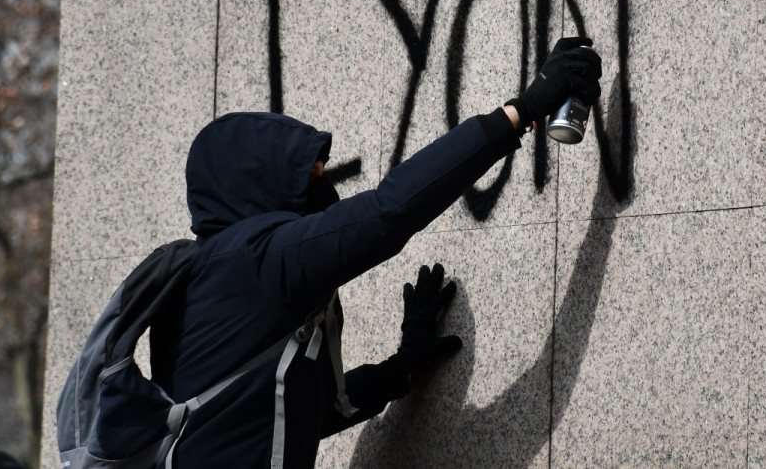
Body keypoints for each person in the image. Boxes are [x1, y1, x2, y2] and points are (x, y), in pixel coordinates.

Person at [148, 38, 602, 467]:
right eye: (308, 179)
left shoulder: (220, 282)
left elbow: (307, 414)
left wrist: (402, 368)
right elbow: (389, 212)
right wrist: (522, 110)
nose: (324, 188)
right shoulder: (251, 264)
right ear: (260, 188)